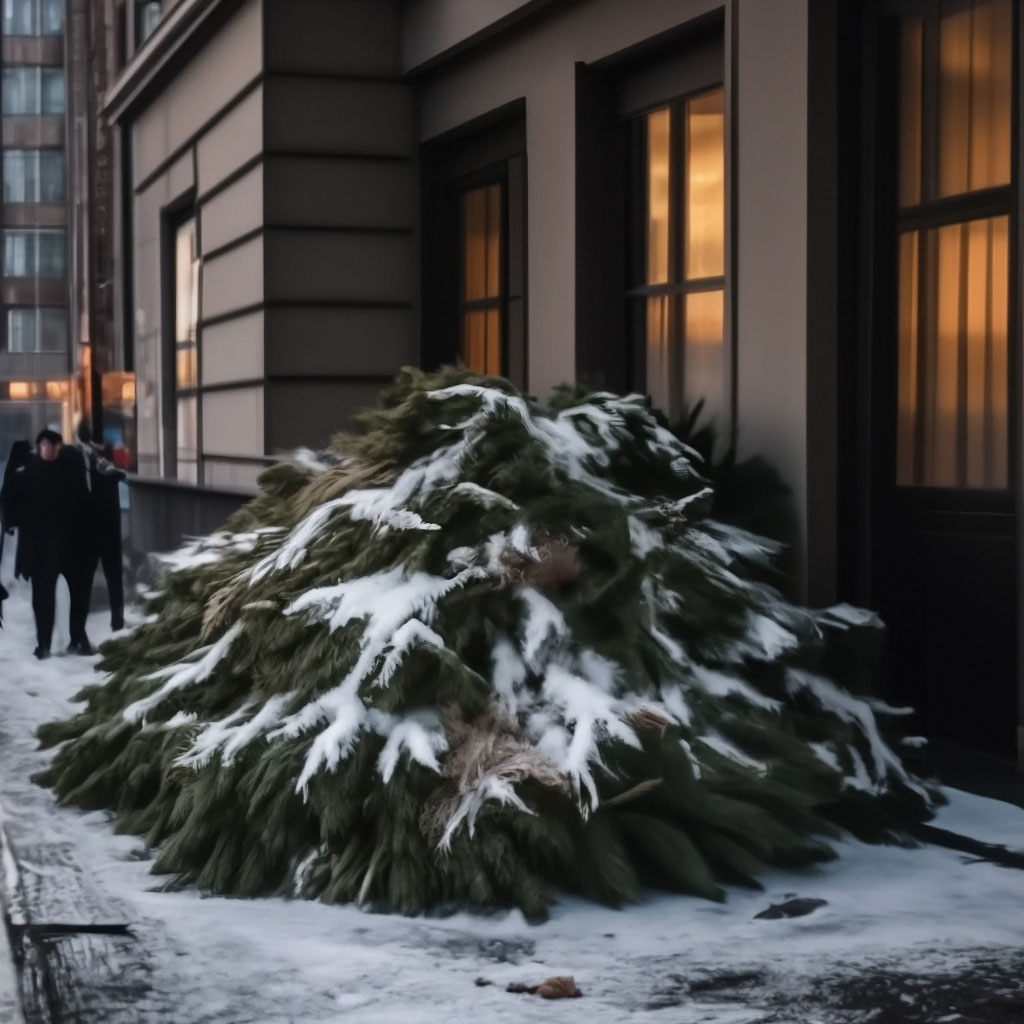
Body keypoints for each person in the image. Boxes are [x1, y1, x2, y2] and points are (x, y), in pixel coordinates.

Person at [8, 428, 92, 658]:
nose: (50, 449)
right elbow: (14, 507)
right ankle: (43, 643)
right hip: (40, 549)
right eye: (46, 445)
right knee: (43, 599)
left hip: (70, 546)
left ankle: (77, 637)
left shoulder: (69, 471)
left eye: (54, 446)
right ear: (39, 447)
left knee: (79, 594)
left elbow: (82, 505)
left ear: (58, 447)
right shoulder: (28, 473)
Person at [73, 422, 126, 631]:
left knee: (110, 577)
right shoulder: (82, 459)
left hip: (106, 528)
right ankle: (80, 629)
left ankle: (117, 623)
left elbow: (123, 474)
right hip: (94, 528)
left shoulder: (107, 459)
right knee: (87, 580)